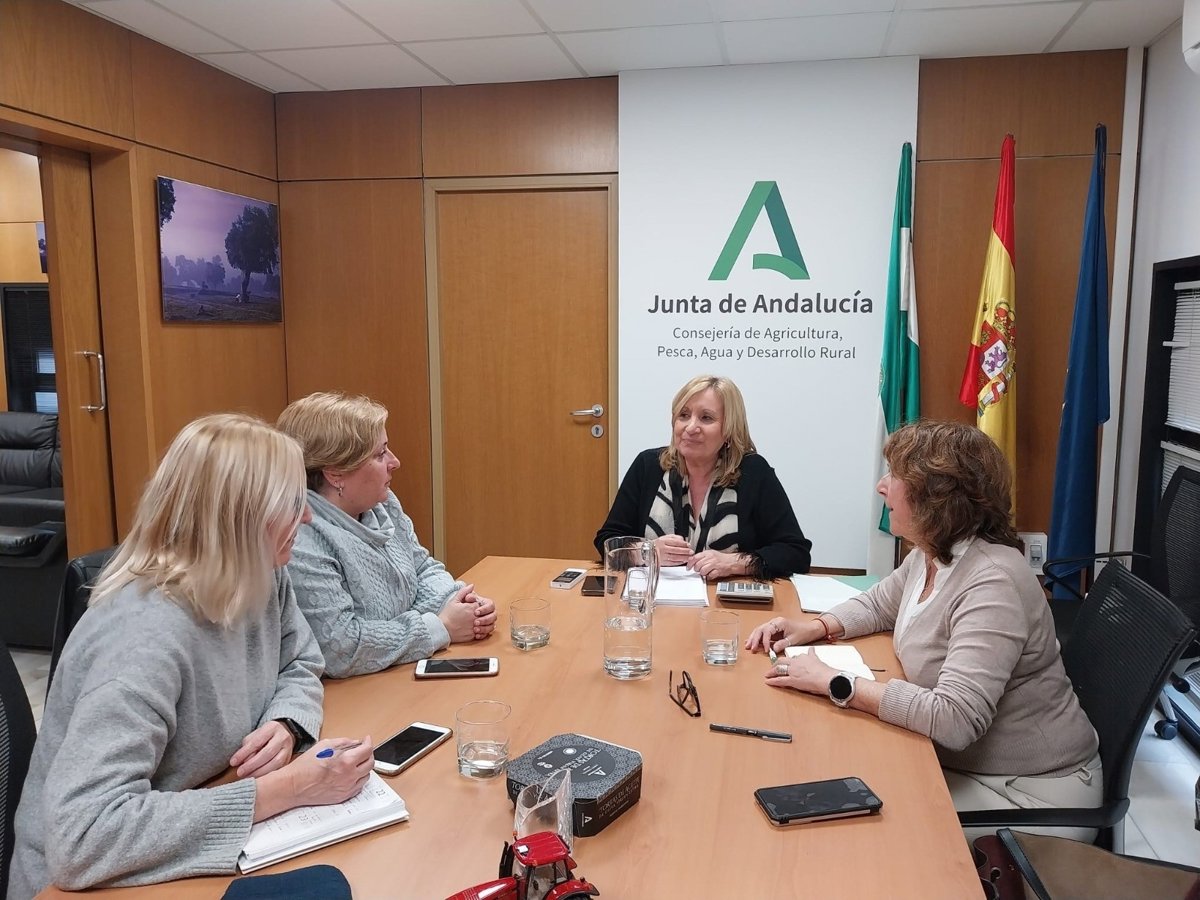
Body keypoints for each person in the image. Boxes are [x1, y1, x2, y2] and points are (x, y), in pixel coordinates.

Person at [8, 414, 375, 897]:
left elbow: (301, 659)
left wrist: (288, 721)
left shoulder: (263, 574)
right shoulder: (142, 639)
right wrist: (290, 789)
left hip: (191, 822)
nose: (306, 517)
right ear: (242, 519)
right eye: (291, 503)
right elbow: (82, 837)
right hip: (87, 885)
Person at [746, 420, 1101, 841]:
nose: (881, 487)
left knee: (851, 831)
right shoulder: (931, 554)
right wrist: (814, 627)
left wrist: (835, 682)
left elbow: (954, 719)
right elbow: (879, 604)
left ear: (935, 496)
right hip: (960, 763)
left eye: (895, 475)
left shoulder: (993, 582)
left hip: (1029, 793)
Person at [277, 392, 496, 678]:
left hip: (396, 673)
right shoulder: (302, 540)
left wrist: (461, 604)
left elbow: (421, 568)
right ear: (336, 474)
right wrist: (439, 626)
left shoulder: (382, 503)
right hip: (355, 693)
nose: (395, 462)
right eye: (380, 454)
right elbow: (341, 648)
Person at [594, 375, 811, 580]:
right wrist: (645, 552)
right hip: (656, 598)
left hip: (725, 600)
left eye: (706, 418)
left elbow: (795, 552)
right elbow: (607, 540)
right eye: (683, 415)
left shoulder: (753, 471)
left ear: (729, 430)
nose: (690, 427)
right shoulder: (649, 466)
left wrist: (734, 563)